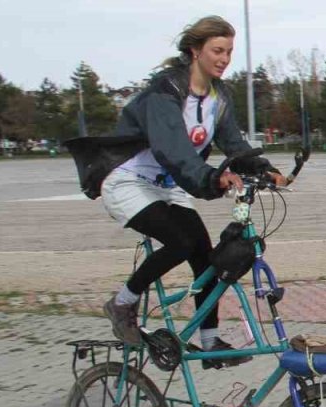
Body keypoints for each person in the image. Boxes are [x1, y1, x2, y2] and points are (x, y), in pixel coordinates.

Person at [99, 15, 284, 368]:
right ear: (195, 50)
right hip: (130, 182)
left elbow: (233, 144)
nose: (224, 58)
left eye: (229, 51)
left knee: (207, 255)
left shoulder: (219, 97)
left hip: (168, 187)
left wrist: (265, 171)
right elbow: (173, 150)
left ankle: (210, 341)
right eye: (217, 50)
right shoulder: (165, 91)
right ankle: (123, 302)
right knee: (182, 240)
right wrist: (212, 179)